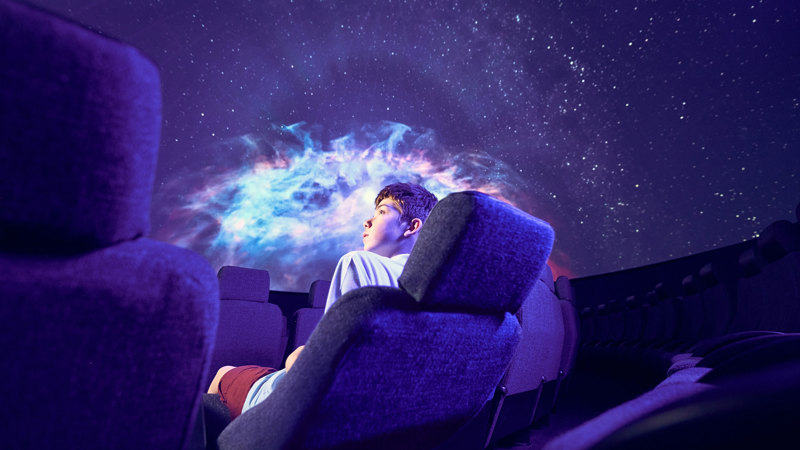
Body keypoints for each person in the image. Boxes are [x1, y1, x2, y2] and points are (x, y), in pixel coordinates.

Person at [207, 182, 438, 419]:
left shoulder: (359, 262)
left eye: (381, 211)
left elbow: (328, 363)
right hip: (394, 413)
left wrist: (295, 356)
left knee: (224, 373)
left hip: (315, 406)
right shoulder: (439, 288)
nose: (366, 222)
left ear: (412, 226)